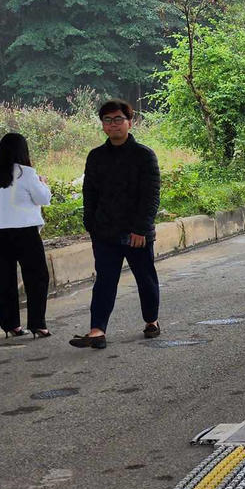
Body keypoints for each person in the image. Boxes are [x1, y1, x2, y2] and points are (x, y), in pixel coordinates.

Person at [70, 100, 161, 349]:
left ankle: (151, 320)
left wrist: (141, 228)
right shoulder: (96, 156)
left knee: (145, 278)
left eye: (118, 119)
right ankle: (97, 330)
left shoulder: (144, 155)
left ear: (130, 122)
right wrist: (91, 223)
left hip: (136, 233)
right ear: (102, 125)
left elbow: (151, 195)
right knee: (105, 281)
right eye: (108, 120)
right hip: (105, 232)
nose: (113, 125)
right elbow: (89, 193)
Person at [0, 133, 51, 339]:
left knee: (5, 278)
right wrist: (43, 183)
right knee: (37, 277)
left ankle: (11, 326)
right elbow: (43, 198)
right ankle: (38, 325)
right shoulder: (26, 173)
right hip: (25, 232)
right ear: (23, 151)